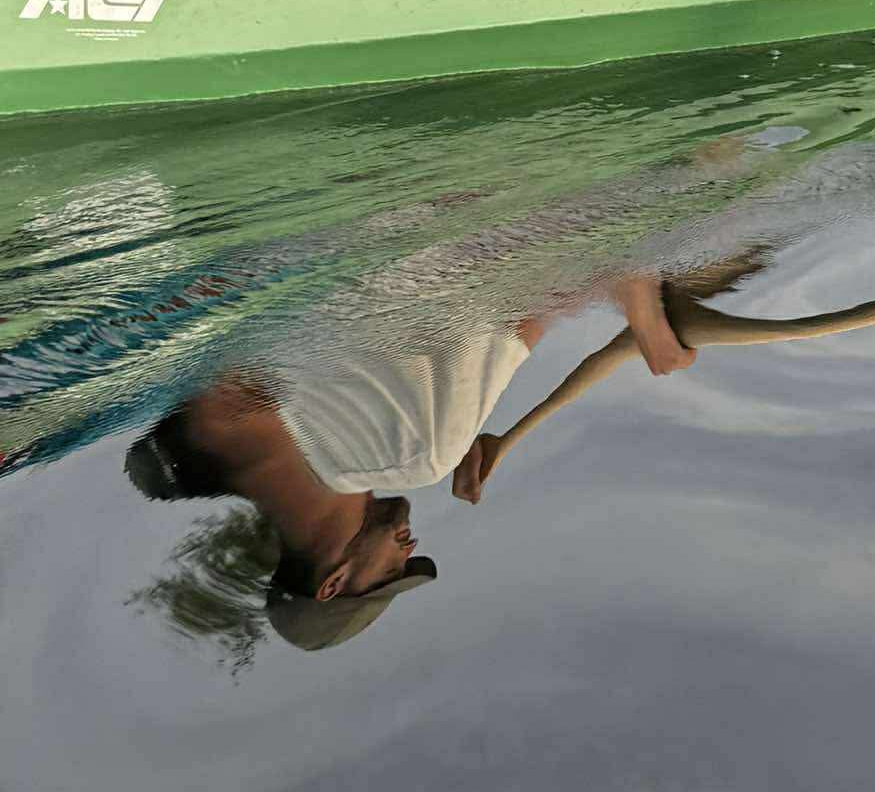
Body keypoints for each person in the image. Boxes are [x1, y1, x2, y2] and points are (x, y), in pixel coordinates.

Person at [129, 271, 703, 650]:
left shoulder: (419, 452)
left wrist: (644, 315)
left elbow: (564, 273)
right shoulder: (203, 450)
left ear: (335, 583)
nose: (410, 550)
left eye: (390, 573)